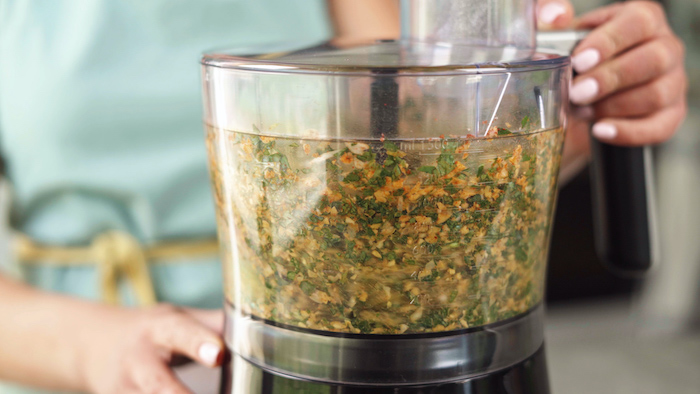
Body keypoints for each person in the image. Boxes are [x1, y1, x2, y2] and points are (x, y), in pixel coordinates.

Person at [0, 0, 686, 393]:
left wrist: (585, 106)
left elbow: (437, 148)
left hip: (372, 339)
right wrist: (93, 347)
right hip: (65, 348)